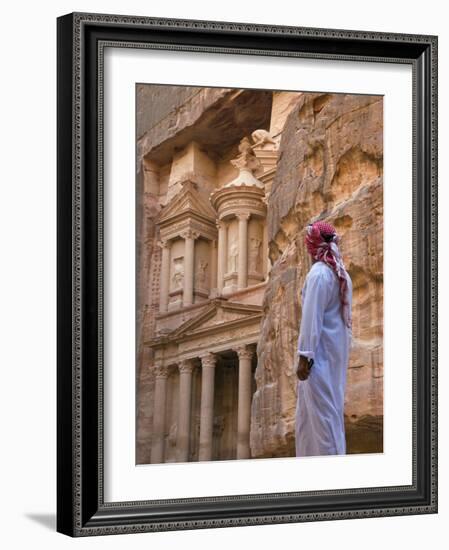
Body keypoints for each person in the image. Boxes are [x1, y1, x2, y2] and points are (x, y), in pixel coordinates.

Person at [294, 220, 353, 457]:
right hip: (333, 355)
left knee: (323, 420)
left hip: (318, 360)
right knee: (313, 419)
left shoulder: (319, 274)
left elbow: (312, 318)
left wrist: (304, 356)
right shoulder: (339, 273)